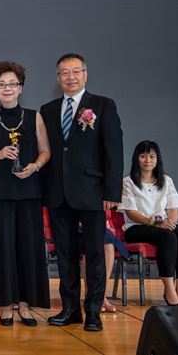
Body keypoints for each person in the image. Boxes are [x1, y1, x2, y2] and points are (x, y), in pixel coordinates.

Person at [40, 53, 123, 332]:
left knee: (95, 253)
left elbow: (114, 150)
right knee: (65, 254)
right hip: (58, 192)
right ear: (58, 78)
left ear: (85, 75)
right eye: (65, 72)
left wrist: (112, 191)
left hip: (92, 192)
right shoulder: (48, 109)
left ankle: (94, 311)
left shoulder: (102, 105)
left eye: (76, 71)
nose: (71, 77)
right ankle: (70, 309)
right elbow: (47, 151)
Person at [0, 61, 51, 326]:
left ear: (21, 88)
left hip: (29, 191)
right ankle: (6, 304)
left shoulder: (34, 117)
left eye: (12, 84)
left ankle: (26, 304)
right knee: (3, 248)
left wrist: (35, 166)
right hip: (1, 192)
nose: (7, 88)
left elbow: (46, 151)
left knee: (28, 248)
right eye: (2, 85)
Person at [119, 140, 178, 306]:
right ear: (136, 158)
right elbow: (131, 213)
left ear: (157, 159)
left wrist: (170, 223)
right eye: (143, 156)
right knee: (168, 237)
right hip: (137, 227)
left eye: (152, 156)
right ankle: (169, 290)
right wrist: (154, 222)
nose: (148, 160)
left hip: (162, 226)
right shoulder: (128, 182)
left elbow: (173, 209)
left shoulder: (166, 180)